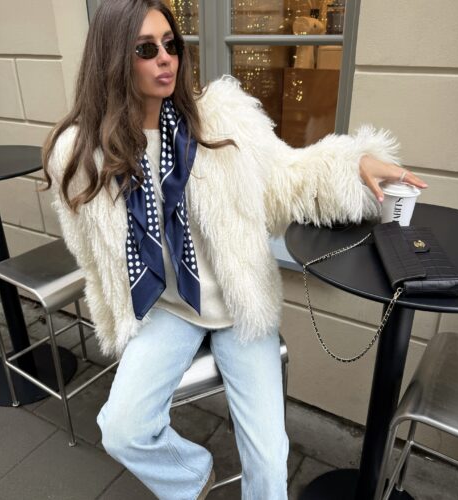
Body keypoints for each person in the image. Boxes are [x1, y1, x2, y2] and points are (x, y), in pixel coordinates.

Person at [42, 1, 427, 499]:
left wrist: (355, 164)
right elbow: (94, 256)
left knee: (268, 460)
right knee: (121, 429)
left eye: (170, 44)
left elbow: (289, 175)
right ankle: (193, 475)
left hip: (239, 307)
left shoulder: (221, 120)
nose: (165, 58)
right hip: (167, 311)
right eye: (145, 49)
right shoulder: (85, 155)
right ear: (113, 58)